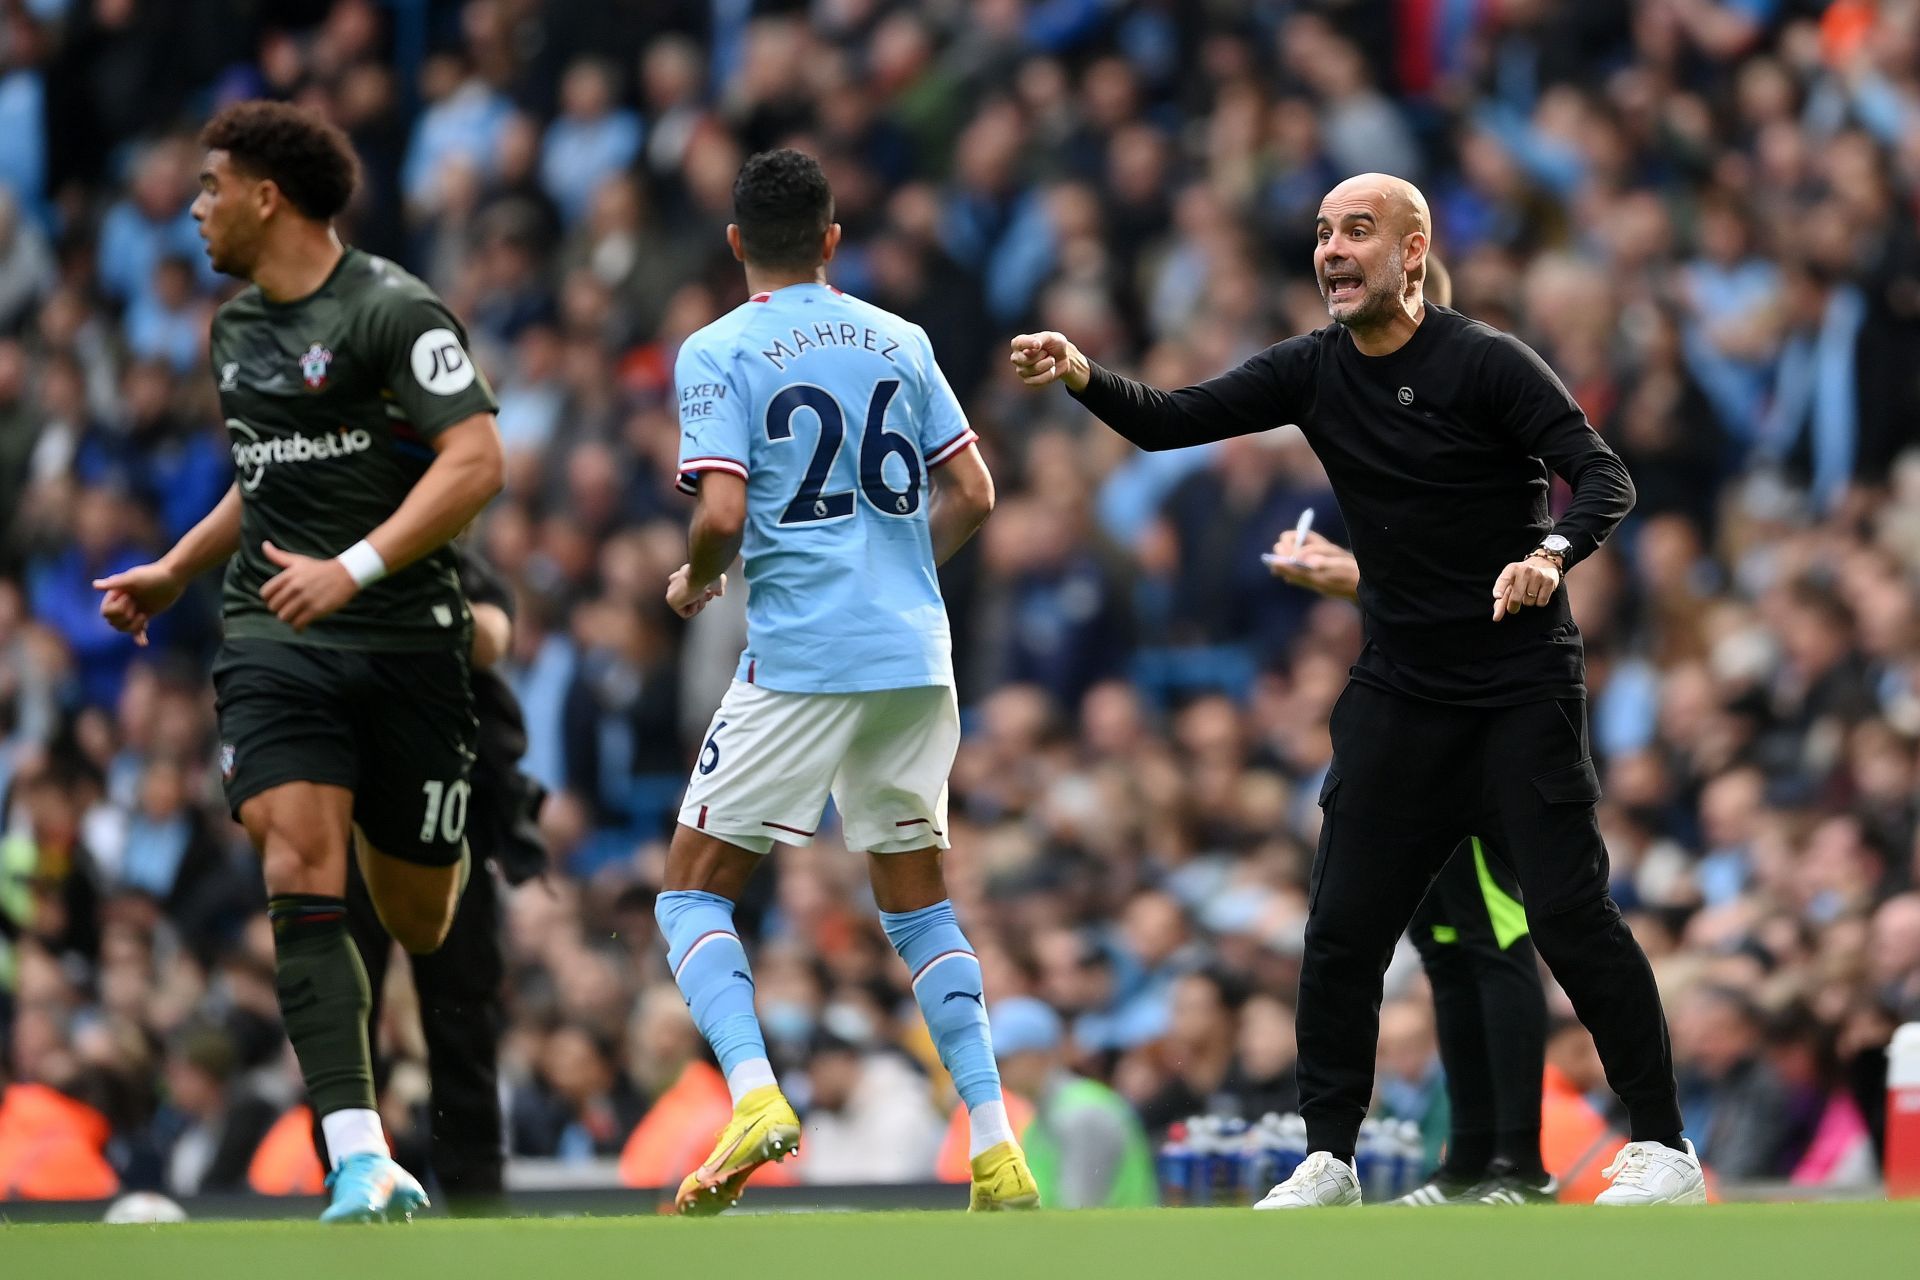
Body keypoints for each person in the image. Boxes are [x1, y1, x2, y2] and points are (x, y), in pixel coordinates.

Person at [1011, 172, 1704, 1208]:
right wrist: (1081, 372)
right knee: (1342, 928)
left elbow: (1603, 475)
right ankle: (1328, 1154)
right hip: (1400, 692)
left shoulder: (1486, 362)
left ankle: (1665, 1148)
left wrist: (1553, 554)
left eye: (1359, 231)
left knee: (1567, 916)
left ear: (1413, 249)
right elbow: (1168, 420)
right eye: (1325, 233)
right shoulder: (1314, 369)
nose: (1332, 250)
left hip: (1517, 688)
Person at [93, 100, 505, 1222]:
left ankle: (414, 832)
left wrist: (357, 567)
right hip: (276, 635)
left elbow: (476, 460)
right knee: (295, 860)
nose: (194, 208)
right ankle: (362, 1155)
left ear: (265, 194)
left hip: (406, 640)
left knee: (418, 916)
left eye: (210, 185)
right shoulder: (232, 330)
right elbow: (261, 475)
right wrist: (178, 567)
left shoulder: (393, 308)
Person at [658, 148, 1026, 1214]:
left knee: (691, 889)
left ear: (735, 244)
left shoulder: (718, 348)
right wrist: (900, 572)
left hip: (804, 657)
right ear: (832, 239)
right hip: (915, 655)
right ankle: (997, 1145)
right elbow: (975, 490)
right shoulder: (899, 338)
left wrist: (693, 578)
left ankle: (756, 1093)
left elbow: (722, 514)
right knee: (918, 905)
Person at [314, 547, 549, 1213]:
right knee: (341, 1007)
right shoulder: (316, 554)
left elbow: (494, 635)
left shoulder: (440, 560)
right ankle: (349, 1180)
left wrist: (394, 616)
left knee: (459, 1010)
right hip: (346, 808)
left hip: (449, 807)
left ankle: (479, 1204)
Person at [987, 997, 1157, 1209]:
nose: (996, 1069)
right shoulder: (1038, 1119)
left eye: (1003, 1059)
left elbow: (1077, 1214)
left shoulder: (1082, 1114)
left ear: (1038, 1055)